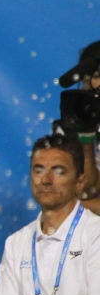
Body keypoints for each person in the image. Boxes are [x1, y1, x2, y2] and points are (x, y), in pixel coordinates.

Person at [0, 134, 100, 295]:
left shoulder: (96, 233)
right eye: (38, 170)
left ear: (80, 182)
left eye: (58, 171)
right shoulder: (16, 242)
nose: (46, 180)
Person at [55, 41, 100, 214]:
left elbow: (69, 206)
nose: (88, 85)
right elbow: (85, 190)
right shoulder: (74, 122)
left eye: (96, 76)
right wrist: (86, 137)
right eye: (85, 78)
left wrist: (76, 207)